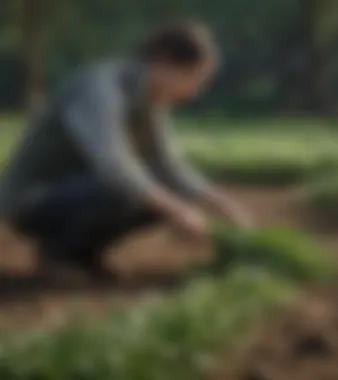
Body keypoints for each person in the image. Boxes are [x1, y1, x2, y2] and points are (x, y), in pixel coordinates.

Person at [0, 21, 251, 280]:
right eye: (194, 79)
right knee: (125, 189)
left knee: (162, 191)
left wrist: (223, 205)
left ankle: (84, 255)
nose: (195, 92)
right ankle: (58, 254)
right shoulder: (101, 89)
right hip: (34, 198)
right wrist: (178, 211)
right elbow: (115, 167)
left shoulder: (151, 101)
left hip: (79, 188)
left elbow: (167, 165)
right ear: (164, 62)